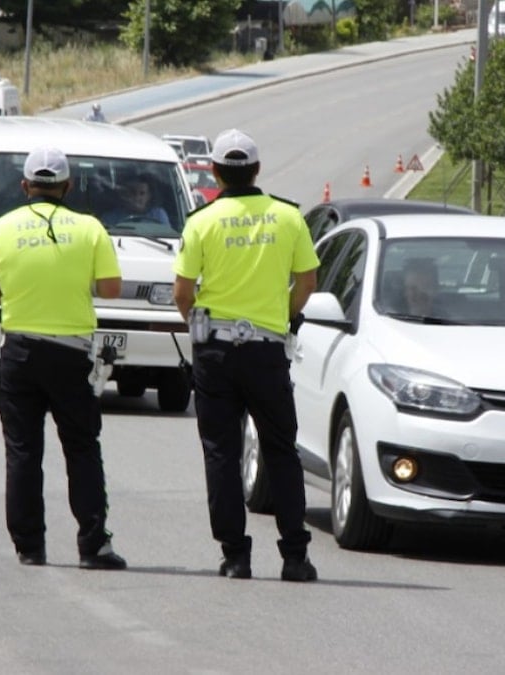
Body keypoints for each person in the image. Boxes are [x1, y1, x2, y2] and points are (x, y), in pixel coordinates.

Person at [172, 128, 321, 582]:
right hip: (266, 350)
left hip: (215, 350)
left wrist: (196, 324)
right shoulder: (288, 217)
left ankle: (235, 555)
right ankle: (295, 556)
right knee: (281, 451)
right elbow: (307, 283)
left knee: (221, 452)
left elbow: (182, 291)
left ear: (215, 172)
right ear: (257, 170)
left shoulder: (202, 221)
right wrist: (281, 316)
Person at [0, 146, 128, 571]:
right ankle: (92, 544)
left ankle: (29, 546)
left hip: (19, 351)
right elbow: (111, 288)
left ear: (25, 186)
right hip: (71, 353)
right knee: (81, 449)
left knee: (23, 451)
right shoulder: (90, 228)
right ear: (68, 186)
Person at [101, 175, 171, 228]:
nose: (137, 197)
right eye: (133, 192)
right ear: (125, 194)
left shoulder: (158, 215)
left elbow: (169, 238)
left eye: (142, 193)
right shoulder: (111, 218)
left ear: (149, 196)